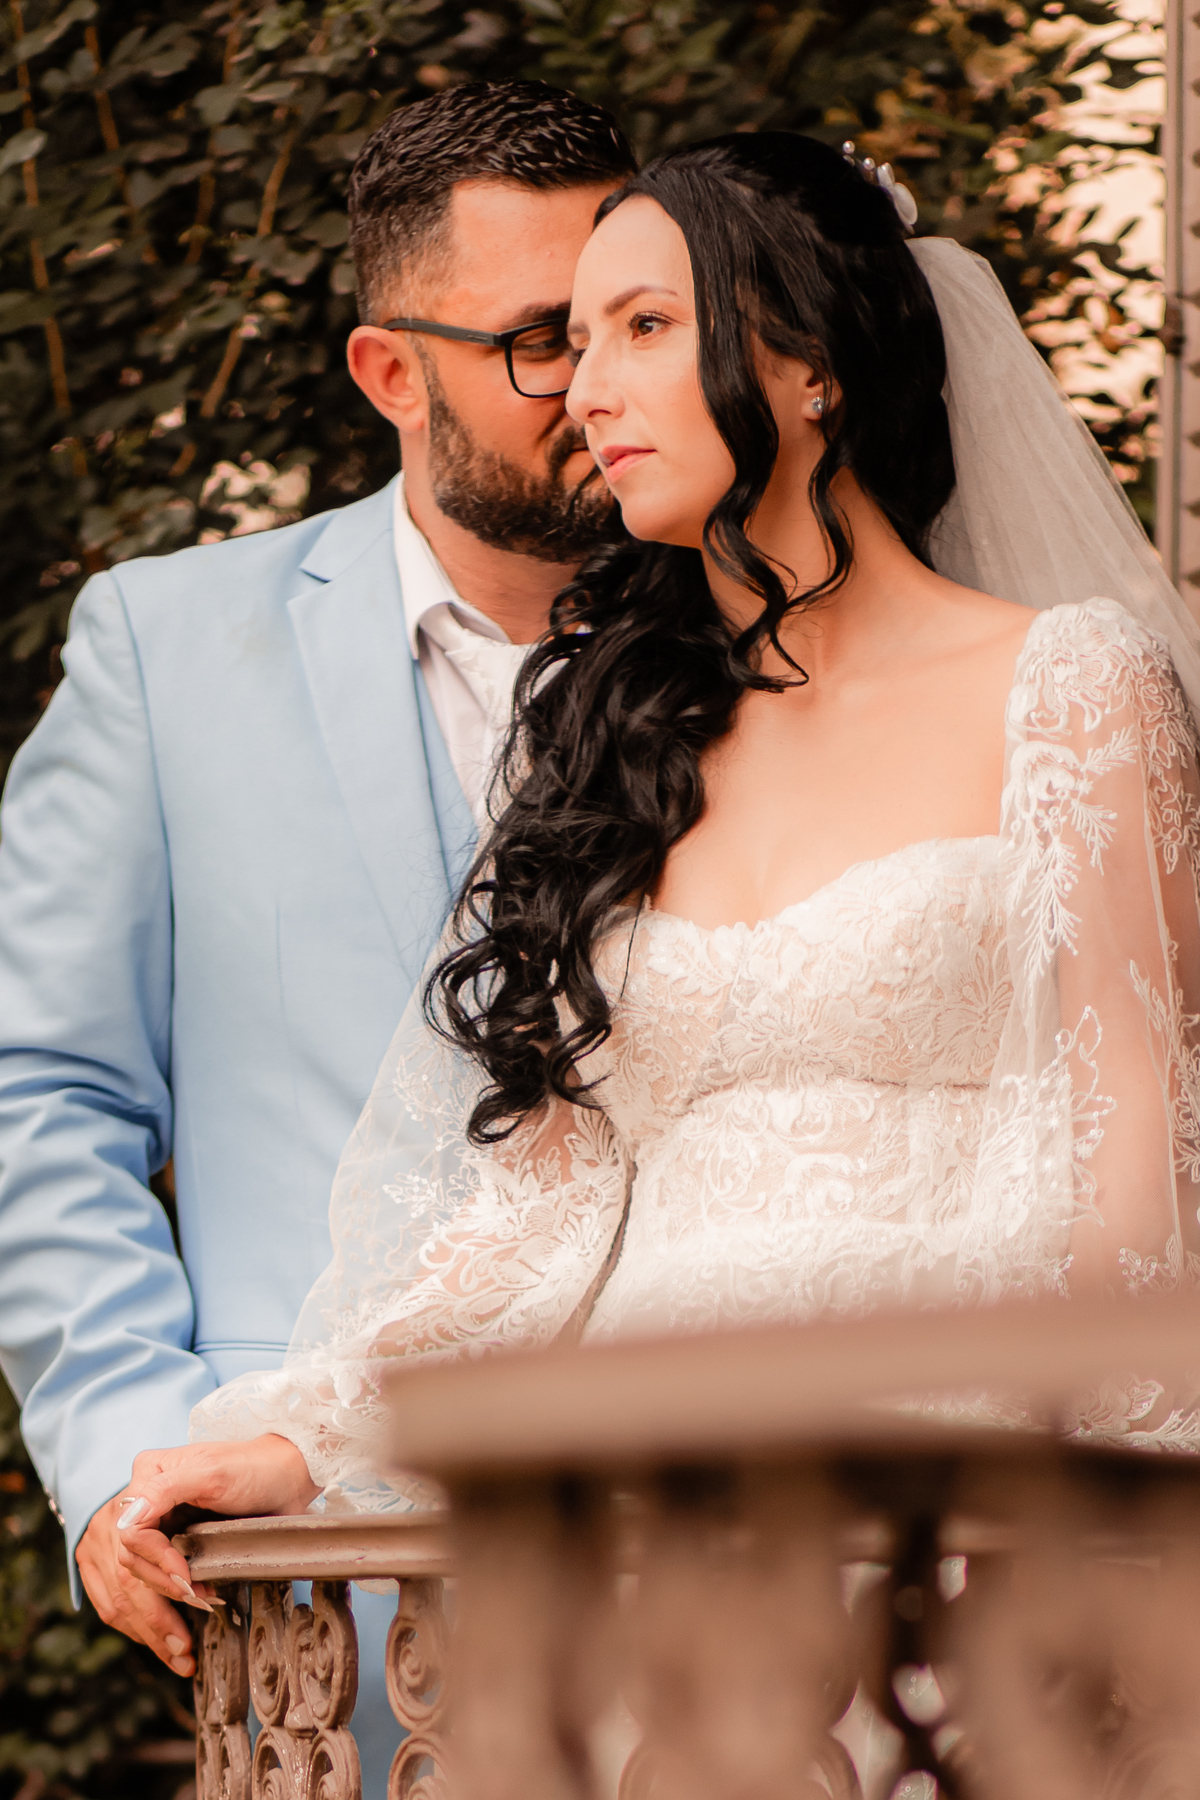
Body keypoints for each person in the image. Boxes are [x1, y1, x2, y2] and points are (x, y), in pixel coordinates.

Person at [114, 133, 1200, 1626]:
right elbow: (540, 1205)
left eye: (645, 326)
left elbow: (1140, 1175)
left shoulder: (1067, 691)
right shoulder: (606, 738)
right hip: (635, 1568)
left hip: (948, 1550)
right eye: (573, 341)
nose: (586, 389)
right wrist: (305, 1441)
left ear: (812, 369)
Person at [0, 78, 636, 1791]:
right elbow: (40, 1090)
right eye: (539, 341)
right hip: (308, 1584)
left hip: (710, 1576)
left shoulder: (773, 656)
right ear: (388, 372)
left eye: (623, 324)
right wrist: (134, 1458)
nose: (596, 385)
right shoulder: (163, 650)